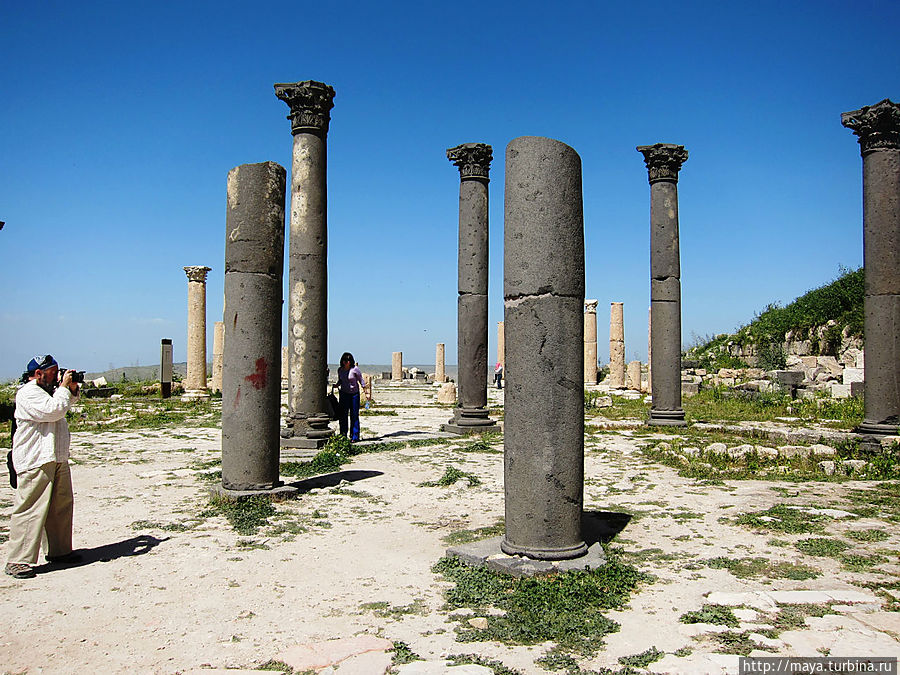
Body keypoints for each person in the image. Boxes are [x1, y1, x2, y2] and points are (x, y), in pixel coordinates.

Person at [5, 355, 80, 579]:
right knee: (30, 509)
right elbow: (54, 410)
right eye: (53, 372)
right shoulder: (28, 393)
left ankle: (59, 551)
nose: (57, 376)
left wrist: (71, 388)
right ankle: (18, 559)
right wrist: (64, 387)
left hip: (55, 457)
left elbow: (66, 403)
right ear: (38, 374)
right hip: (35, 458)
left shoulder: (48, 391)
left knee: (60, 507)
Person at [336, 352, 366, 442]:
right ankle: (343, 435)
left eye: (348, 360)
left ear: (351, 361)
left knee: (354, 415)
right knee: (343, 415)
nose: (346, 362)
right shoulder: (340, 370)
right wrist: (336, 385)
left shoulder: (355, 369)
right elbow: (340, 380)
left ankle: (354, 436)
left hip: (354, 395)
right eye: (345, 360)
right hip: (344, 394)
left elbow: (361, 380)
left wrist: (366, 391)